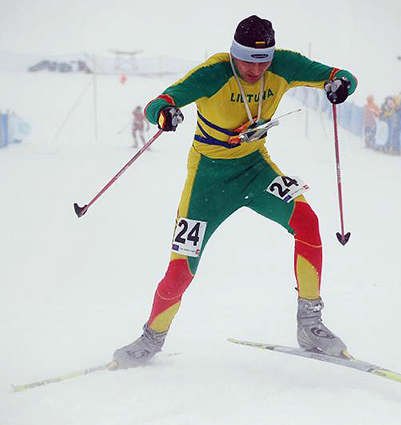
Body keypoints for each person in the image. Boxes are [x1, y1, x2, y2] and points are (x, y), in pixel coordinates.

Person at [112, 15, 358, 369]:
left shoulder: (284, 64)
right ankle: (151, 339)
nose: (256, 69)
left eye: (263, 61)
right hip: (207, 181)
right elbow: (157, 104)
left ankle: (310, 325)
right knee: (182, 269)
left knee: (307, 221)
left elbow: (342, 75)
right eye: (246, 60)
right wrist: (166, 113)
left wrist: (339, 84)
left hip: (256, 170)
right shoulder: (213, 73)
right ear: (233, 53)